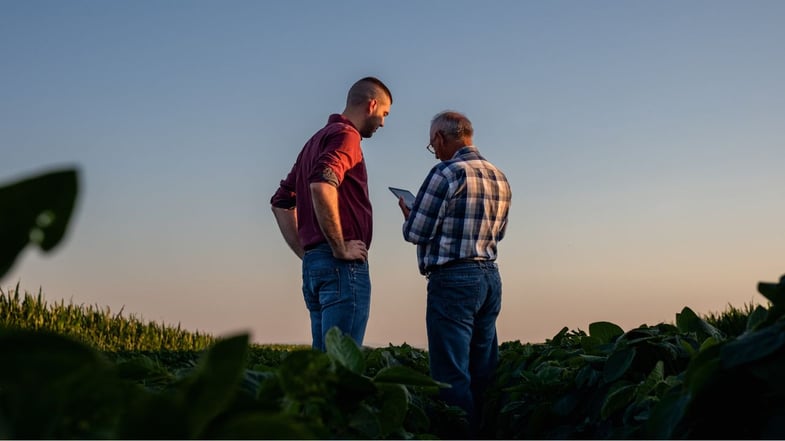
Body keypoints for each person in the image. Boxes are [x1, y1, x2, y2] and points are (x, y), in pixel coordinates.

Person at [399, 111, 511, 434]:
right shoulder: (500, 177)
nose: (433, 150)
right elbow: (498, 233)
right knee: (483, 369)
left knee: (450, 375)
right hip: (490, 277)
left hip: (453, 279)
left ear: (440, 139)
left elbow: (416, 232)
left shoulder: (445, 173)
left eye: (432, 144)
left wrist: (410, 213)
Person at [270, 77, 392, 351]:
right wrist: (339, 247)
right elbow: (322, 183)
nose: (383, 123)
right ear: (372, 105)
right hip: (341, 267)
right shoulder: (346, 136)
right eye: (384, 114)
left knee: (324, 367)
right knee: (341, 369)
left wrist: (307, 252)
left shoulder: (315, 140)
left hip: (316, 265)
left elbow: (280, 202)